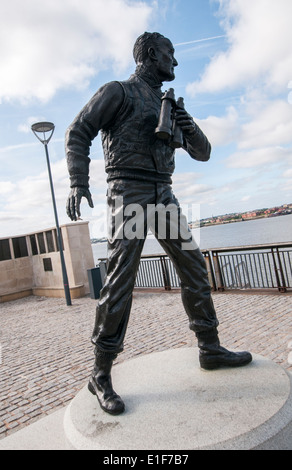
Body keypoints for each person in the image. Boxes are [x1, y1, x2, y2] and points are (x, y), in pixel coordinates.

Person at [65, 32, 252, 416]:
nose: (176, 63)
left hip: (162, 193)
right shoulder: (118, 91)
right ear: (151, 55)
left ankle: (209, 347)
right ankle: (100, 374)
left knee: (194, 266)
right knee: (120, 281)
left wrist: (187, 122)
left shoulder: (167, 103)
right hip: (129, 191)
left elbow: (203, 153)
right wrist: (78, 182)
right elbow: (78, 130)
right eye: (170, 54)